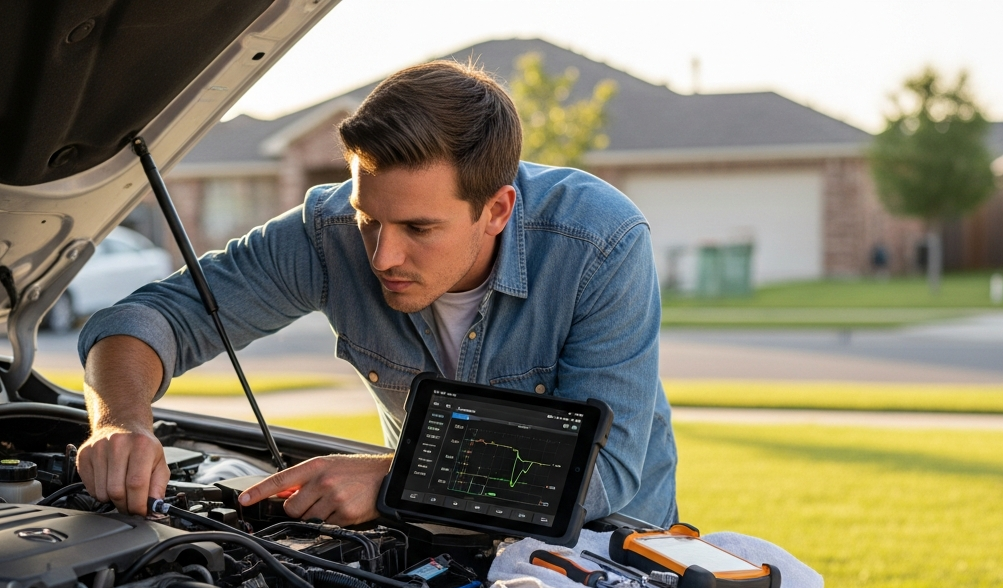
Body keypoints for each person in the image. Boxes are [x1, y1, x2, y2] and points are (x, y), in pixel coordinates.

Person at [76, 60, 677, 527]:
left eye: (419, 229)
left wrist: (393, 479)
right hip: (431, 538)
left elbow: (604, 471)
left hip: (610, 561)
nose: (382, 256)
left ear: (496, 210)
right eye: (369, 218)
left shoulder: (599, 241)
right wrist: (119, 423)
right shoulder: (327, 233)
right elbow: (149, 318)